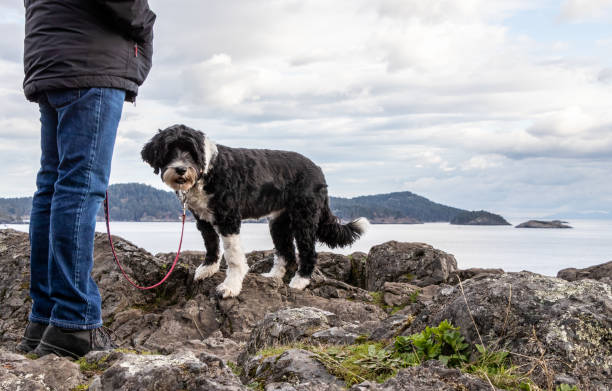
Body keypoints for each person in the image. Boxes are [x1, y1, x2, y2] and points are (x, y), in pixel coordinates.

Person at [17, 0, 155, 359]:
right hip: (89, 62)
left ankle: (45, 318)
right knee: (78, 188)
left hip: (52, 58)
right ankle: (73, 322)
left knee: (52, 187)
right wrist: (145, 22)